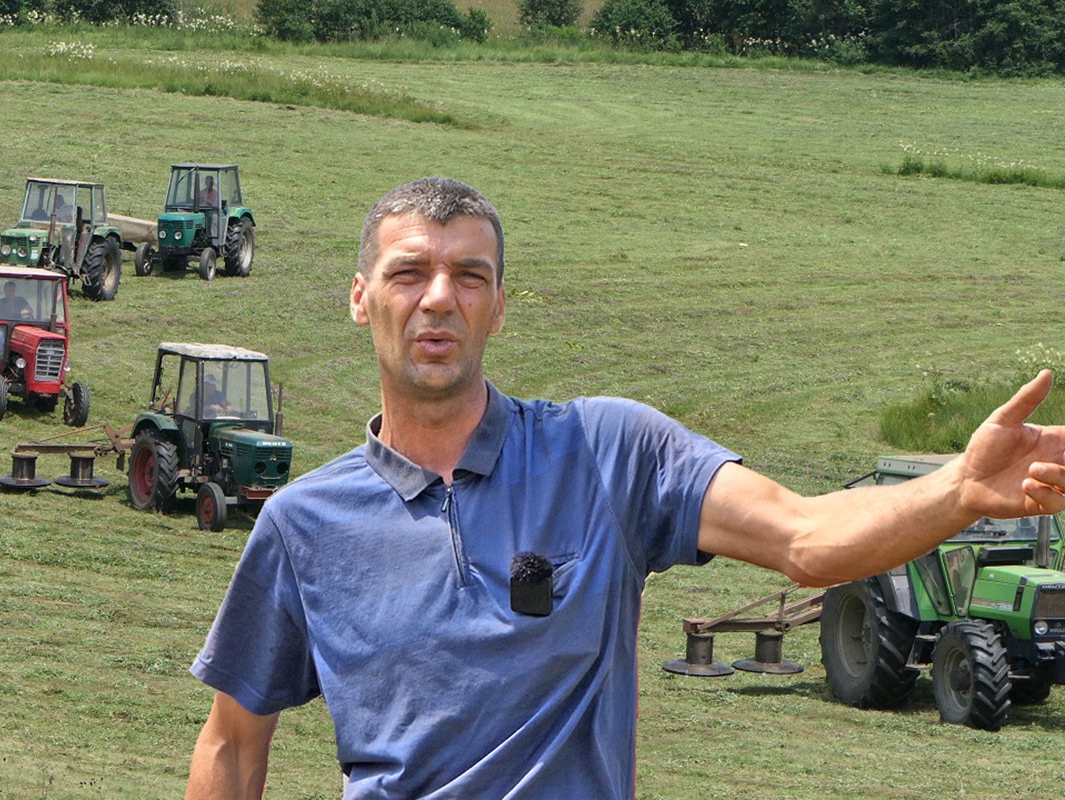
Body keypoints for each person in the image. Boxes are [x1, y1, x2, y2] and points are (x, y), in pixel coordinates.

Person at [185, 178, 1065, 799]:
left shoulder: (606, 451)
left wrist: (957, 490)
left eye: (471, 277)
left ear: (498, 307)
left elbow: (805, 538)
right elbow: (231, 745)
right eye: (409, 273)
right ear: (360, 298)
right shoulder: (306, 524)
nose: (439, 299)